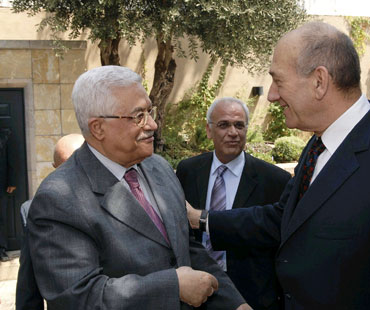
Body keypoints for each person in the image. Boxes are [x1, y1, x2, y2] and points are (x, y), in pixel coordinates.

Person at [187, 22, 370, 309]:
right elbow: (285, 220)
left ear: (319, 81)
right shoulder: (318, 145)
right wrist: (200, 219)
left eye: (278, 81)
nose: (271, 95)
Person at [27, 65, 250, 310]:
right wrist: (172, 286)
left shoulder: (159, 169)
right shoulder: (58, 199)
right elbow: (79, 297)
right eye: (138, 116)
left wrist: (236, 304)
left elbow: (185, 248)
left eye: (150, 111)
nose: (153, 125)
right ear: (98, 128)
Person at [176, 97, 291, 310]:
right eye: (223, 125)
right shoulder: (188, 171)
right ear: (209, 130)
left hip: (250, 295)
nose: (233, 132)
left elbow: (275, 236)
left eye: (239, 125)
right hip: (195, 291)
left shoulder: (275, 180)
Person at [16, 133, 85, 310]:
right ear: (55, 168)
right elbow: (28, 286)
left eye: (80, 165)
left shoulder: (120, 199)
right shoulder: (34, 211)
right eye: (66, 167)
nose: (74, 173)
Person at [0, 127, 16, 262]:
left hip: (1, 183)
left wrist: (11, 181)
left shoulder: (5, 134)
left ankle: (1, 248)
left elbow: (11, 159)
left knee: (1, 218)